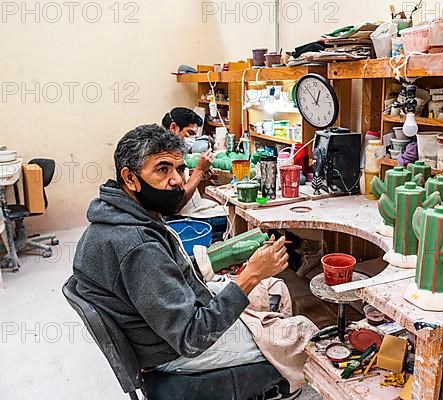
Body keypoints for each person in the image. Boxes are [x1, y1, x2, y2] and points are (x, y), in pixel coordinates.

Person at [73, 124, 306, 398]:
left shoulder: (119, 214)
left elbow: (159, 279)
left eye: (180, 169)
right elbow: (192, 337)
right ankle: (276, 372)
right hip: (172, 350)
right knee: (301, 335)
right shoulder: (137, 244)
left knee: (274, 288)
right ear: (130, 178)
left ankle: (270, 368)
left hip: (162, 327)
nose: (178, 181)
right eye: (162, 169)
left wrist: (215, 265)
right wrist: (250, 276)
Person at [161, 107, 223, 219]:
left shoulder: (175, 151)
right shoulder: (165, 156)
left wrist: (199, 175)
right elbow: (176, 203)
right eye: (189, 133)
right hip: (185, 216)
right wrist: (198, 171)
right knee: (235, 215)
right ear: (173, 128)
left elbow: (180, 185)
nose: (192, 139)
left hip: (193, 207)